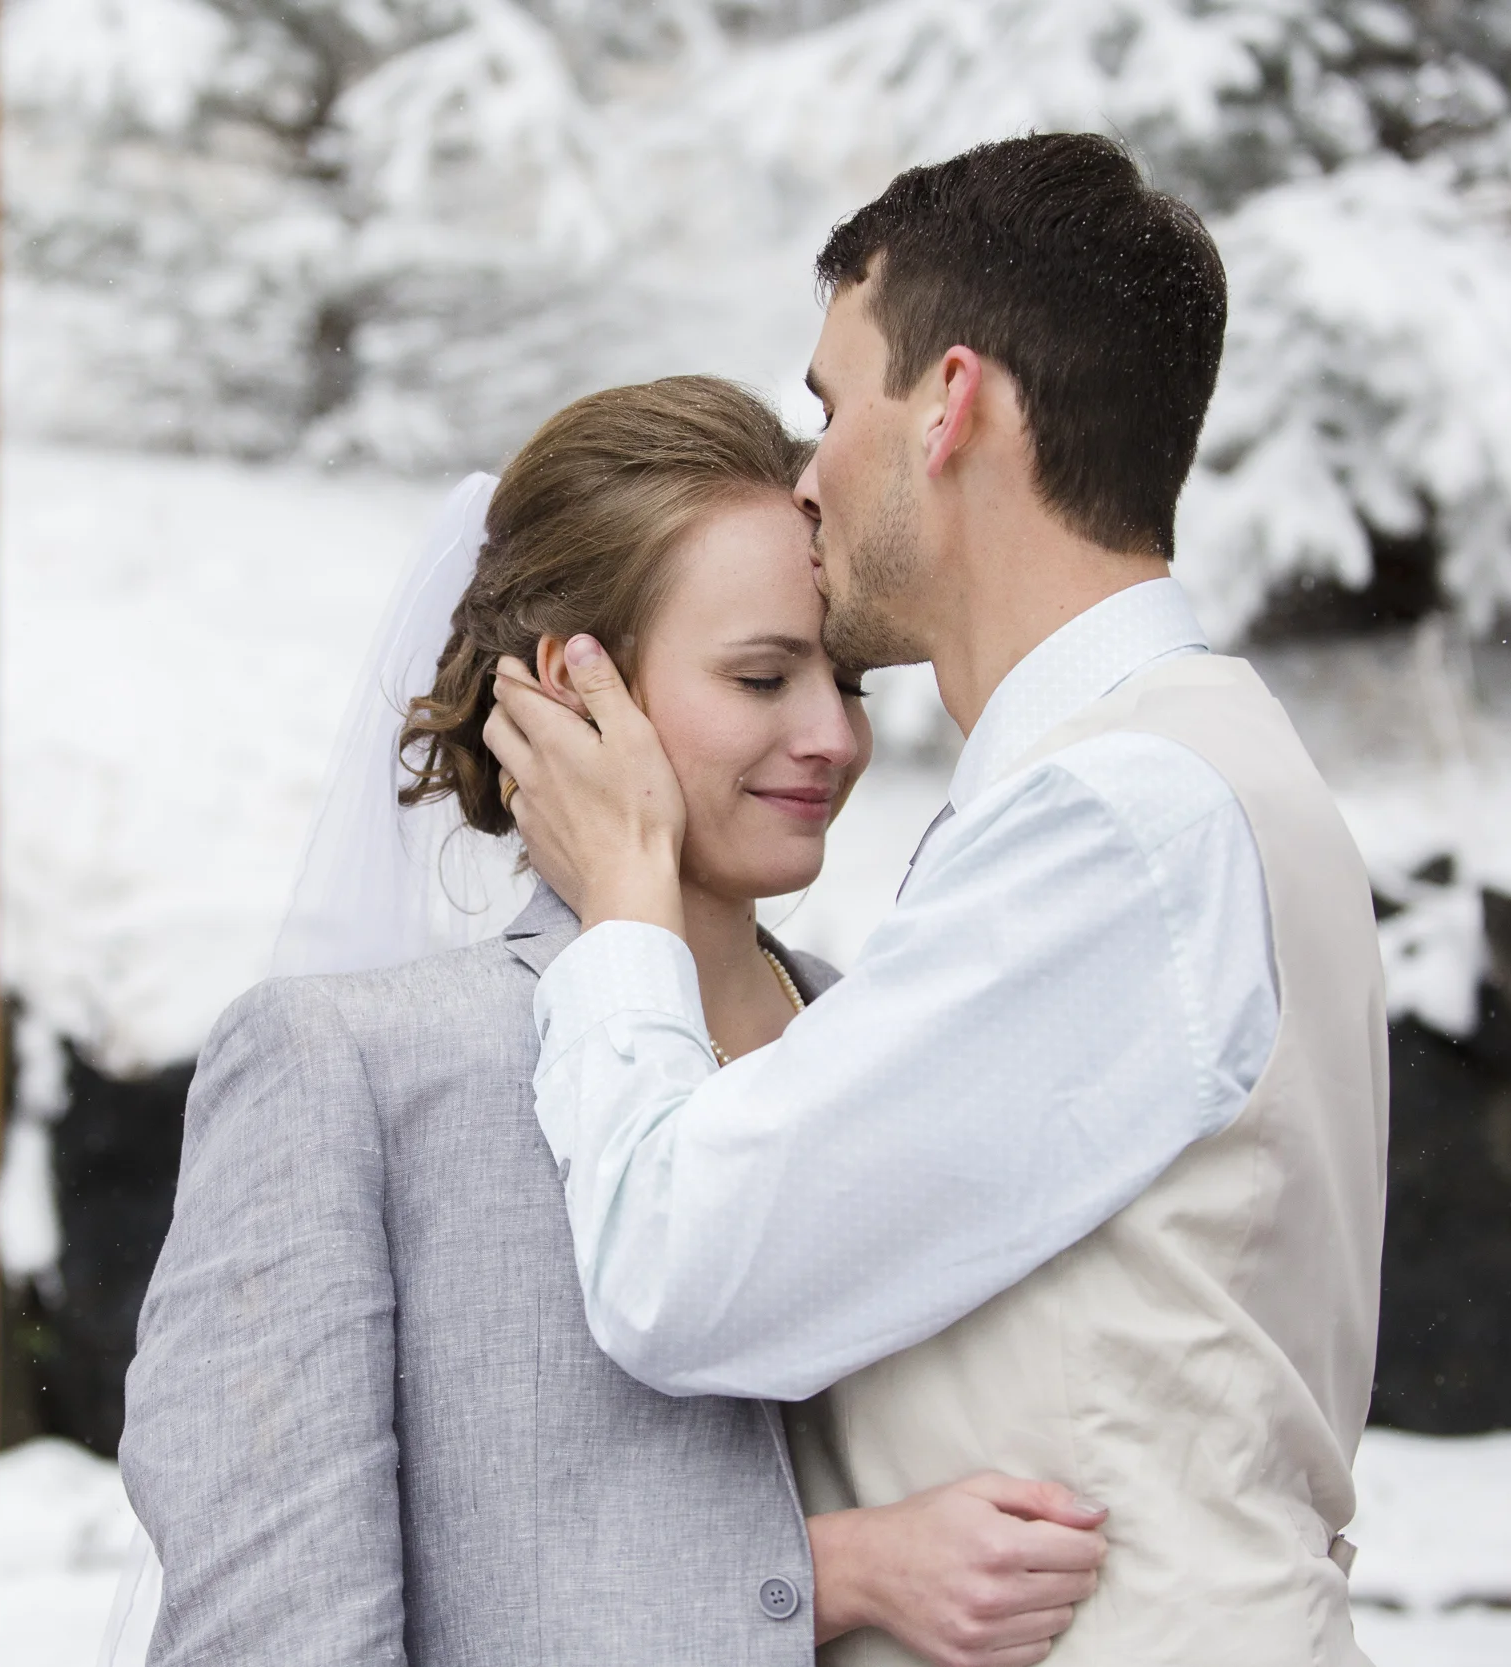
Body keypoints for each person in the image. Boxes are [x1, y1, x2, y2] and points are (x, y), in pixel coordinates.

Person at [487, 136, 1389, 1665]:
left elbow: (678, 1266)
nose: (806, 472)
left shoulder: (1124, 821)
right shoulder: (1177, 773)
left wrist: (627, 906)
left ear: (953, 404)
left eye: (832, 408)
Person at [115, 377, 1110, 1666]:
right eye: (762, 676)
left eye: (848, 679)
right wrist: (825, 1575)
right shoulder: (347, 1073)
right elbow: (273, 1635)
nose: (831, 737)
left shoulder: (891, 1038)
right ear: (571, 688)